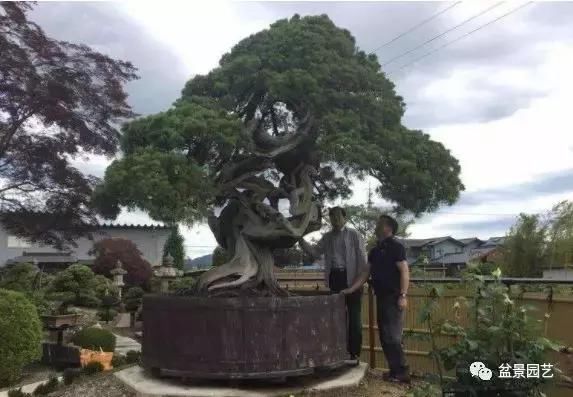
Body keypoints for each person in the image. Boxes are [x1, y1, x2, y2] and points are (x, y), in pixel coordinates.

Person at [342, 214, 411, 383]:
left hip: (394, 298)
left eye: (379, 223)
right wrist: (351, 289)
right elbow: (366, 272)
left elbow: (404, 271)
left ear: (388, 227)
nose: (376, 225)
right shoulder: (375, 250)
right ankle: (394, 371)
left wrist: (403, 295)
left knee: (393, 336)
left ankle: (402, 373)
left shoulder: (396, 247)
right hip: (381, 297)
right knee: (385, 336)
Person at [299, 206, 367, 365]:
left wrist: (359, 282)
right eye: (331, 216)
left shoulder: (354, 235)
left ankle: (354, 354)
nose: (334, 219)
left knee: (354, 318)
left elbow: (363, 261)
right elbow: (315, 253)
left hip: (352, 278)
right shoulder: (327, 237)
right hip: (335, 277)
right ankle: (338, 351)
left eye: (337, 216)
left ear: (345, 217)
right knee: (336, 317)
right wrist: (300, 240)